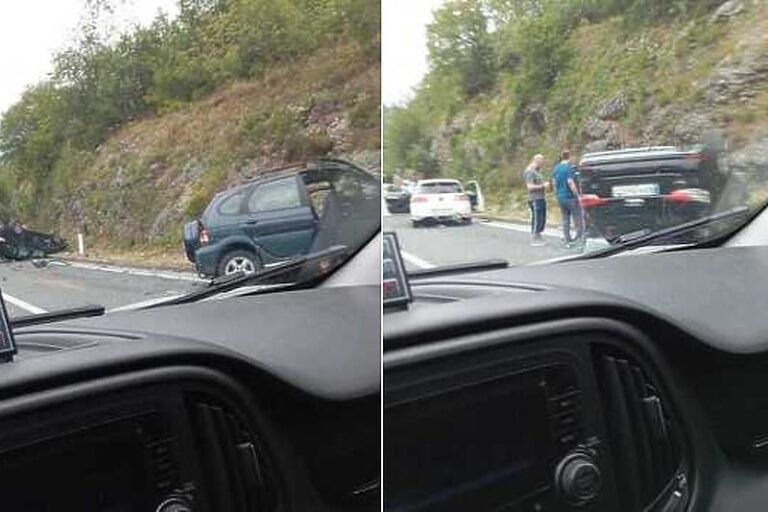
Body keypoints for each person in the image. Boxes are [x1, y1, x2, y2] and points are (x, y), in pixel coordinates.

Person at [553, 150, 584, 247]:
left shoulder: (556, 168)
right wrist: (577, 195)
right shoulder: (568, 168)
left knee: (565, 219)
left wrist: (557, 193)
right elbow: (570, 182)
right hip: (570, 197)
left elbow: (554, 183)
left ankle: (567, 240)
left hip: (560, 197)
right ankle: (579, 237)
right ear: (569, 157)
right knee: (577, 217)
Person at [523, 154, 550, 246]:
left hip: (541, 197)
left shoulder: (537, 171)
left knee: (542, 218)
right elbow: (529, 187)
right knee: (537, 218)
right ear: (537, 160)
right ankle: (534, 238)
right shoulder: (529, 171)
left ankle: (539, 235)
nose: (543, 164)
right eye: (542, 161)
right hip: (534, 199)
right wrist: (543, 186)